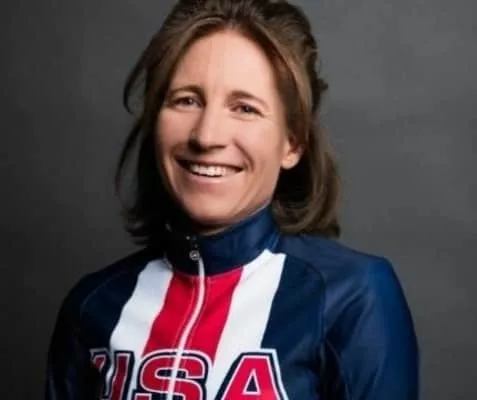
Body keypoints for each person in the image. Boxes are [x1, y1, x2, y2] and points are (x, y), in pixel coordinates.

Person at [45, 0, 419, 398]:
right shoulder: (93, 306)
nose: (206, 136)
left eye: (244, 108)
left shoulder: (353, 296)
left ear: (293, 143)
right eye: (186, 100)